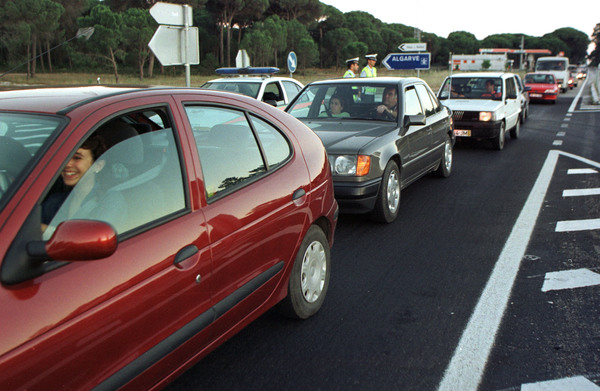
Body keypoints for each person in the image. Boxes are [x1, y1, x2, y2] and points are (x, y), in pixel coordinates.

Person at [41, 134, 107, 232]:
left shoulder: (108, 201)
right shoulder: (53, 202)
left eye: (77, 158)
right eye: (65, 157)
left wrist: (46, 230)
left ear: (98, 166)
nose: (67, 164)